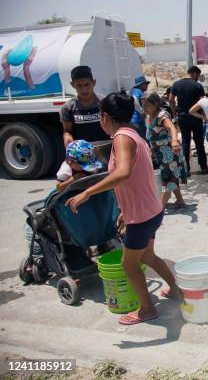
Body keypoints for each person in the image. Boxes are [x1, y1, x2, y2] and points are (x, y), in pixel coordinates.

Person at [66, 92, 181, 325]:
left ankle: (147, 309)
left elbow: (123, 172)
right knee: (148, 256)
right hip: (149, 211)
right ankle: (176, 289)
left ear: (105, 116)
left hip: (141, 216)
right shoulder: (134, 135)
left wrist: (86, 192)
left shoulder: (121, 138)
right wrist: (123, 211)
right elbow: (135, 179)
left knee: (129, 265)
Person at [143, 92, 187, 208]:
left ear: (155, 104)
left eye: (147, 105)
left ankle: (158, 208)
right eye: (143, 105)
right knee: (171, 175)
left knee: (170, 179)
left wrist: (174, 141)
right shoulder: (149, 115)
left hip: (169, 152)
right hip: (159, 152)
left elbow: (172, 127)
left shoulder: (162, 116)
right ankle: (180, 200)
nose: (144, 108)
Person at [169, 66, 208, 175]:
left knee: (185, 142)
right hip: (196, 117)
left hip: (182, 116)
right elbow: (203, 103)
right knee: (199, 142)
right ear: (194, 73)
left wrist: (175, 112)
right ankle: (203, 167)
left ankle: (186, 169)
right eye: (197, 75)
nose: (198, 78)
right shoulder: (198, 85)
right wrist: (204, 116)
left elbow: (170, 100)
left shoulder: (176, 84)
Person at [61, 66, 109, 147]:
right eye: (79, 85)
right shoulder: (68, 108)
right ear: (72, 85)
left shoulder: (105, 103)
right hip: (82, 154)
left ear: (94, 82)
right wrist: (68, 141)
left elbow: (115, 127)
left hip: (106, 150)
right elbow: (67, 131)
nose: (84, 90)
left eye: (87, 84)